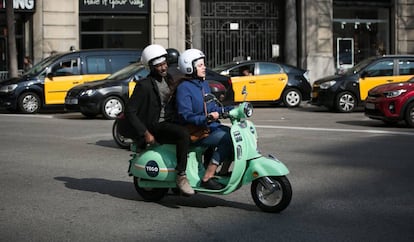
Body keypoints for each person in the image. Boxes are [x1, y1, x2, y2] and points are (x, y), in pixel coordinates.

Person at [124, 44, 194, 196]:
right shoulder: (144, 85)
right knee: (182, 134)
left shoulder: (168, 79)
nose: (163, 68)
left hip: (171, 121)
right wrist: (145, 133)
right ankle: (181, 176)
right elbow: (130, 111)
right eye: (158, 66)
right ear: (150, 67)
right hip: (157, 125)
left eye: (164, 64)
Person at [176, 48, 234, 190]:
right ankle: (207, 177)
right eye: (200, 65)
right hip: (196, 131)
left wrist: (230, 109)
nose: (204, 67)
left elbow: (212, 108)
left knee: (236, 135)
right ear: (190, 67)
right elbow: (185, 115)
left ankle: (224, 170)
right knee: (227, 139)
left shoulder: (203, 84)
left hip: (208, 127)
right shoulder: (184, 88)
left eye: (203, 64)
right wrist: (205, 118)